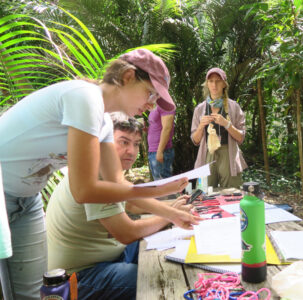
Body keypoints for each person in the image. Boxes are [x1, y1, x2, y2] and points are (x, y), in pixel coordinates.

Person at [0, 48, 200, 299]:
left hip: (28, 197)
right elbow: (85, 190)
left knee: (32, 293)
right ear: (127, 76)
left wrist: (171, 212)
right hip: (2, 193)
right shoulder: (85, 97)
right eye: (150, 93)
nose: (151, 104)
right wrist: (161, 190)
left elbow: (118, 186)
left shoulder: (104, 122)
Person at [46, 113, 192, 299]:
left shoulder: (109, 172)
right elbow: (126, 233)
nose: (131, 151)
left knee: (160, 246)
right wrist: (169, 216)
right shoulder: (95, 172)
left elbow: (131, 204)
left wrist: (172, 206)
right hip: (78, 278)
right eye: (123, 142)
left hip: (108, 259)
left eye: (136, 143)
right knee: (147, 277)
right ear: (104, 142)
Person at [191, 68, 247, 188]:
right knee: (203, 192)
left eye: (218, 81)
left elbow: (241, 138)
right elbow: (195, 141)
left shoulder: (234, 107)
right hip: (207, 153)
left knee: (231, 193)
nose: (214, 85)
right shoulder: (200, 109)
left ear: (224, 84)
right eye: (211, 81)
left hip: (228, 153)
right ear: (207, 84)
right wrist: (201, 126)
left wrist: (227, 124)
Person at [147, 103, 175, 180]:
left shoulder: (165, 104)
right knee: (159, 184)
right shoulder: (156, 105)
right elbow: (156, 127)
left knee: (164, 184)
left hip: (162, 150)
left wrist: (160, 151)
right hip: (153, 151)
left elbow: (167, 128)